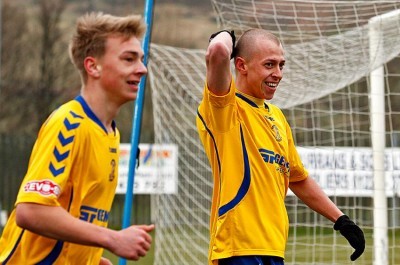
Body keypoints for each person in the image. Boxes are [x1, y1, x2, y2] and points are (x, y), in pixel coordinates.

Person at [196, 29, 365, 265]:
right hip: (238, 249)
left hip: (274, 248)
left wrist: (341, 220)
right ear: (242, 65)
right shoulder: (225, 109)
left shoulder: (277, 116)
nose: (278, 74)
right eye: (269, 65)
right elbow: (218, 51)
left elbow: (297, 178)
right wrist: (225, 34)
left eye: (281, 65)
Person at [0, 12, 154, 265]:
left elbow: (75, 215)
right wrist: (112, 238)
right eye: (129, 59)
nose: (142, 69)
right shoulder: (69, 124)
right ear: (93, 66)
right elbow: (31, 210)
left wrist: (92, 258)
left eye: (141, 59)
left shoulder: (111, 133)